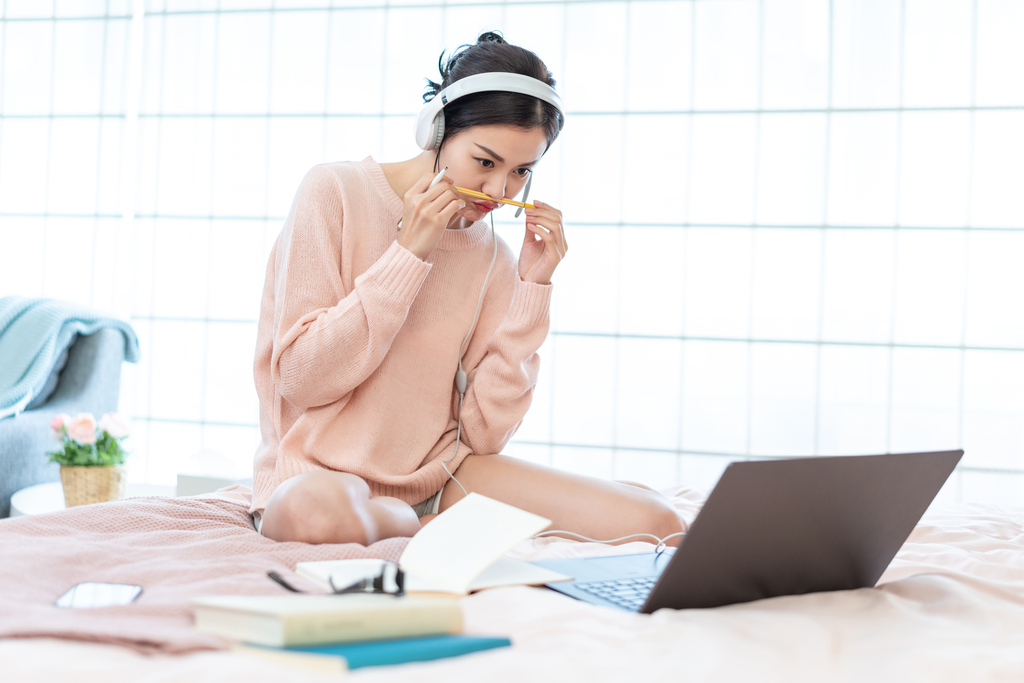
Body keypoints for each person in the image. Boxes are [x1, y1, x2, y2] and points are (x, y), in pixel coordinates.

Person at [249, 31, 683, 547]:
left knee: (658, 522)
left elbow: (483, 436)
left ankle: (415, 521)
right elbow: (301, 378)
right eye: (485, 162)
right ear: (436, 130)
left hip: (440, 479)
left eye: (522, 171)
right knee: (314, 520)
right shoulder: (334, 192)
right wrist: (407, 255)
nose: (499, 192)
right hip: (317, 479)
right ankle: (414, 527)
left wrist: (531, 289)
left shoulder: (494, 256)